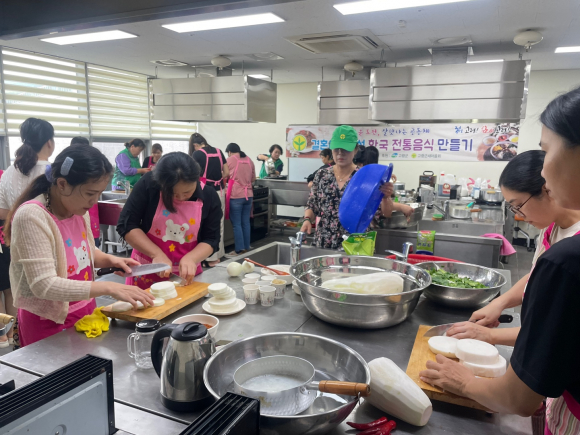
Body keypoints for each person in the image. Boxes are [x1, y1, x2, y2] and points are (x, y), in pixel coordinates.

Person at [420, 87, 580, 435]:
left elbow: (519, 398)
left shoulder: (569, 260)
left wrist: (464, 380)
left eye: (546, 150)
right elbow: (538, 278)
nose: (544, 169)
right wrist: (500, 302)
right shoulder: (556, 241)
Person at [5, 145, 154, 347]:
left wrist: (110, 260)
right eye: (90, 193)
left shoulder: (77, 210)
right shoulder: (32, 216)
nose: (94, 202)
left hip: (85, 311)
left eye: (99, 194)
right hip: (48, 322)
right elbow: (44, 285)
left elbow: (82, 252)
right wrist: (108, 287)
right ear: (62, 184)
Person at [446, 150, 580, 347]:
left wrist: (489, 336)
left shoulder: (574, 251)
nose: (519, 215)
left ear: (548, 190)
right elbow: (536, 274)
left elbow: (557, 331)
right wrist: (499, 303)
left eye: (518, 205)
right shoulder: (551, 226)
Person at [117, 152, 222, 287]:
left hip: (186, 276)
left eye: (187, 192)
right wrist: (156, 254)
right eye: (172, 193)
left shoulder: (209, 196)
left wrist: (192, 258)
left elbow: (211, 239)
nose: (180, 198)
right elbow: (127, 225)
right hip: (147, 271)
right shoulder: (149, 183)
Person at [0, 118, 55, 348]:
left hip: (15, 245)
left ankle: (18, 341)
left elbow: (3, 212)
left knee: (21, 294)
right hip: (49, 245)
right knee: (48, 295)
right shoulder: (51, 172)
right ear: (49, 142)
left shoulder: (8, 173)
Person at [300, 125, 394, 249]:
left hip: (355, 244)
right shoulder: (322, 175)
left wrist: (386, 197)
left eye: (346, 149)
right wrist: (307, 219)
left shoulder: (366, 177)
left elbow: (385, 214)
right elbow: (312, 205)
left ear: (355, 150)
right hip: (325, 241)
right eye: (336, 149)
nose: (340, 153)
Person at [189, 133, 228, 266]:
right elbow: (226, 173)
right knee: (218, 223)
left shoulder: (197, 154)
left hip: (205, 193)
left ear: (195, 145)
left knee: (203, 224)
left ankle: (208, 258)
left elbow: (191, 175)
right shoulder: (219, 151)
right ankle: (218, 255)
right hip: (220, 191)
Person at [354, 146, 414, 220]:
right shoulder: (362, 180)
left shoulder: (371, 177)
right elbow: (375, 204)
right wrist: (401, 207)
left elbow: (382, 206)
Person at [70, 136, 102, 249]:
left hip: (89, 220)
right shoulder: (73, 171)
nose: (95, 200)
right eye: (90, 193)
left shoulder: (91, 169)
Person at [224, 143, 256, 256]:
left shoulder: (229, 160)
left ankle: (239, 250)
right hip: (249, 195)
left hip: (236, 195)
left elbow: (224, 176)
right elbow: (253, 178)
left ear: (229, 152)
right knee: (245, 222)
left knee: (236, 224)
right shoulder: (249, 160)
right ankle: (246, 247)